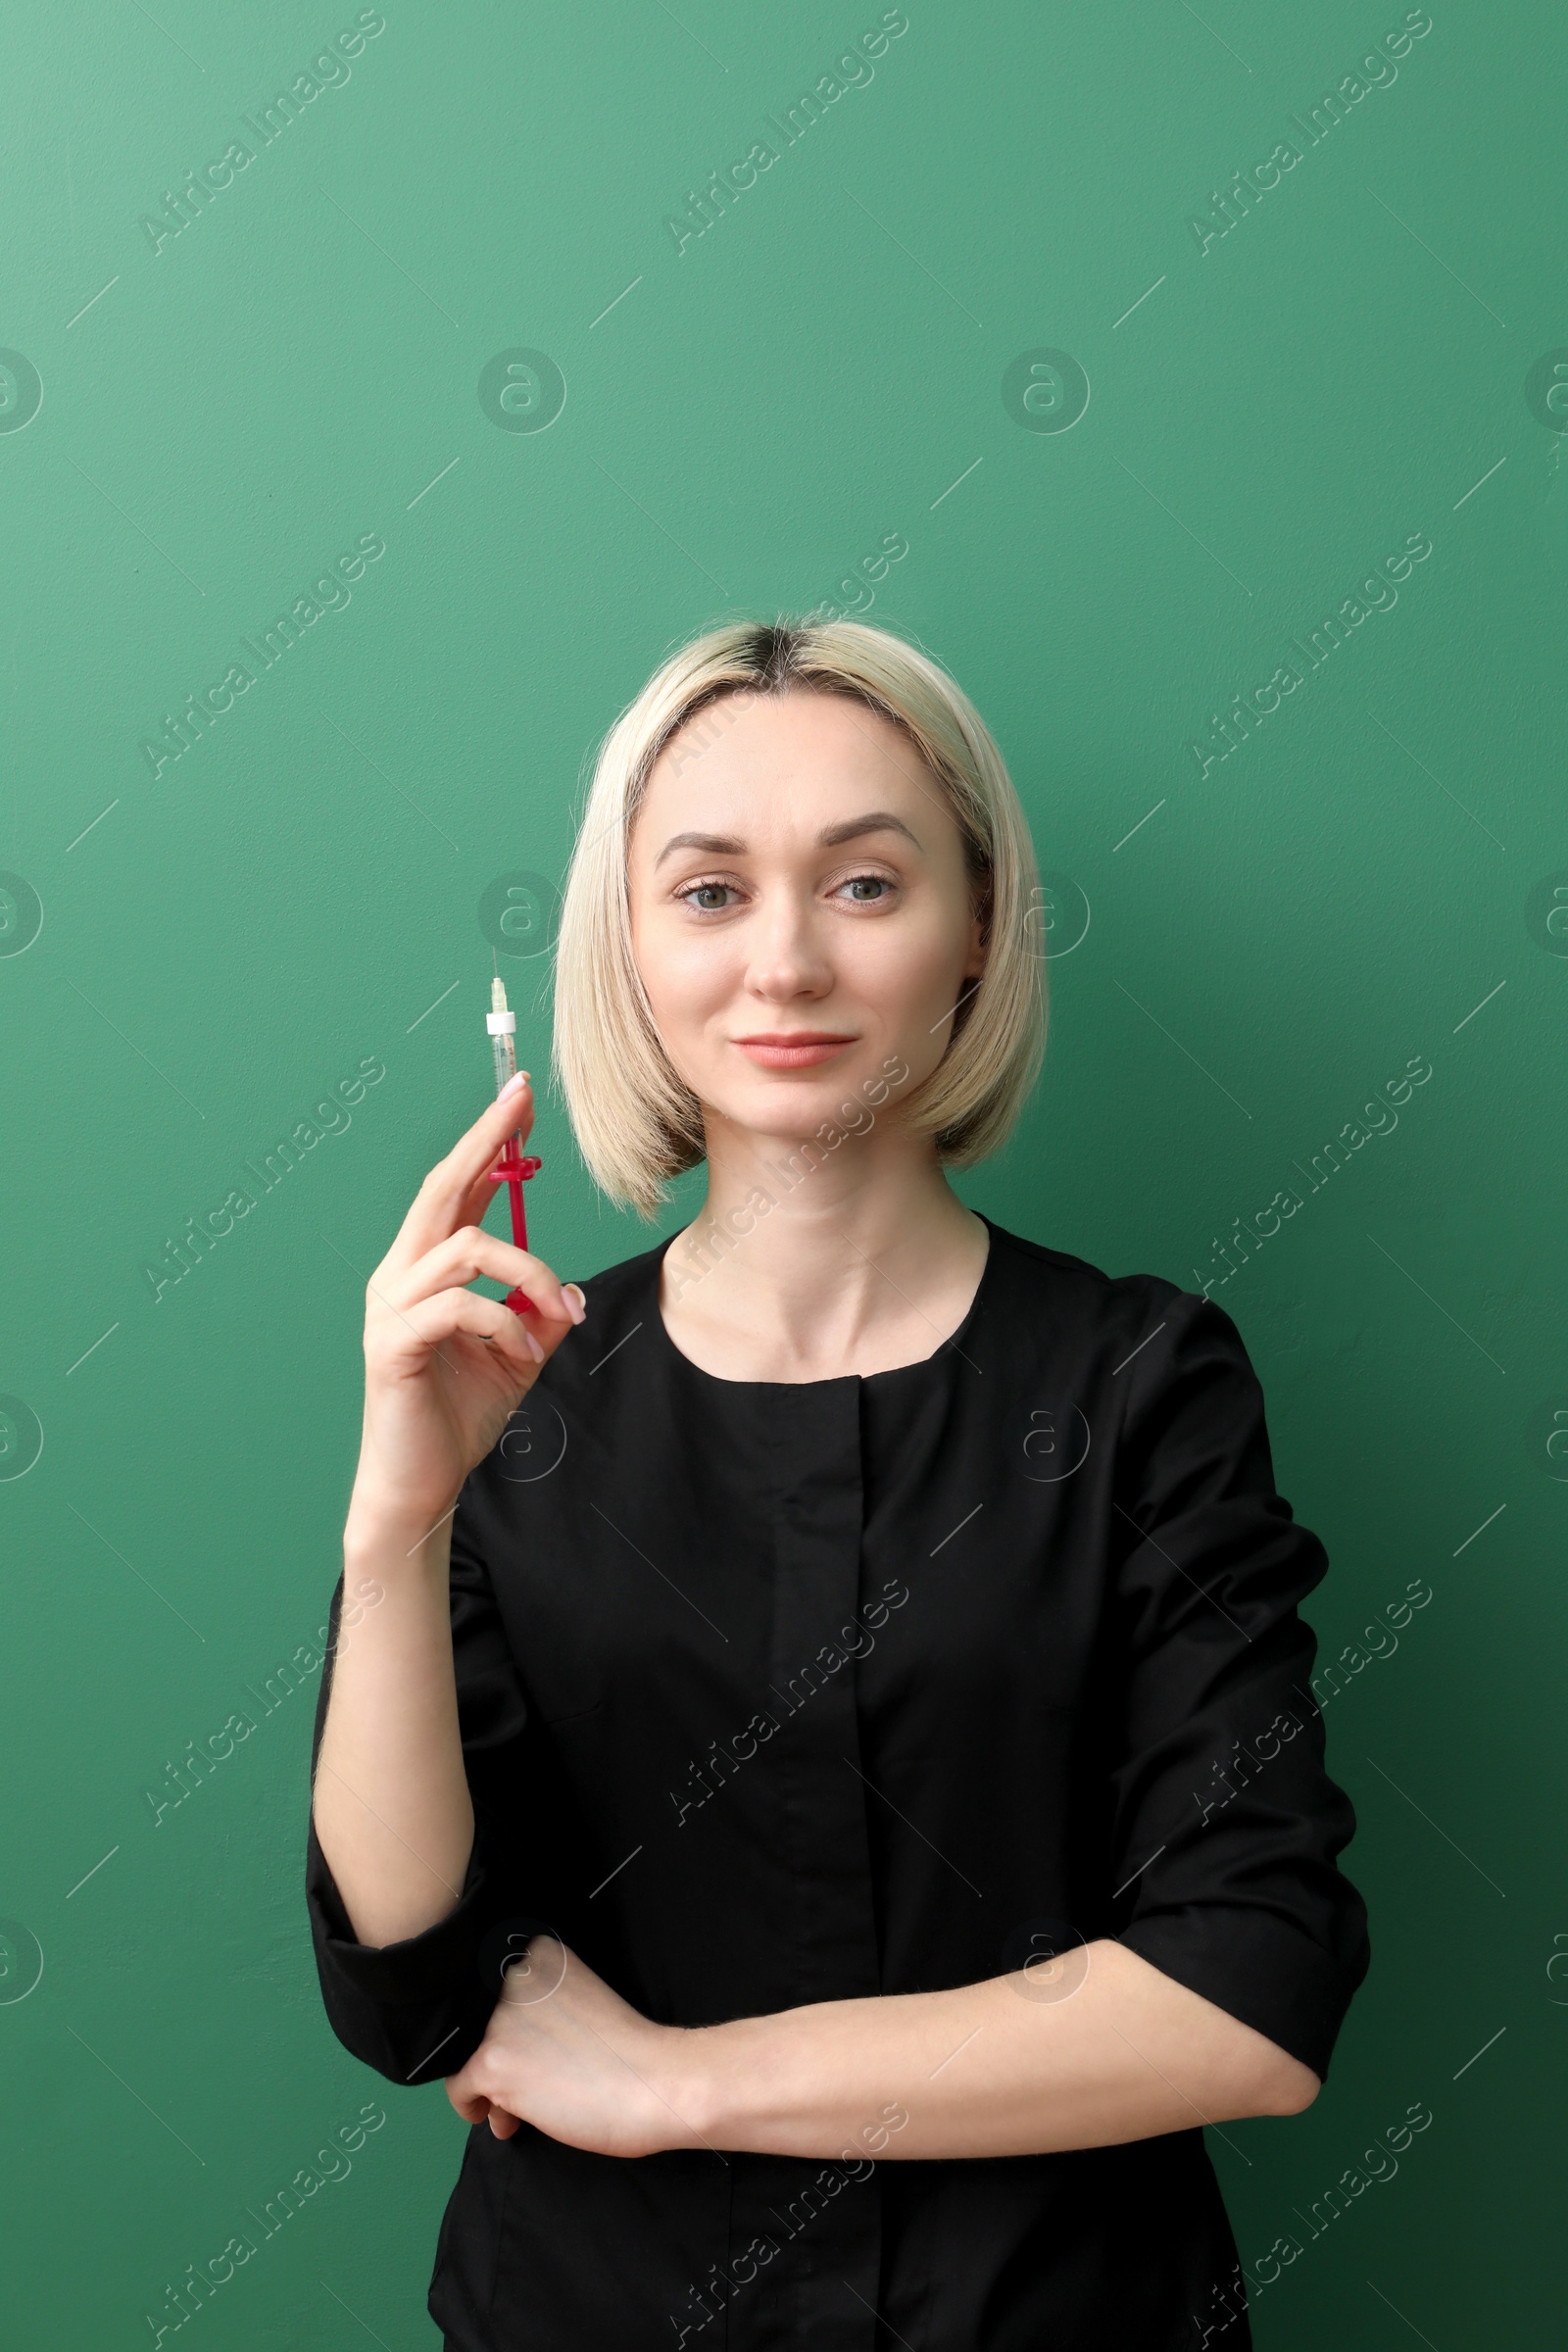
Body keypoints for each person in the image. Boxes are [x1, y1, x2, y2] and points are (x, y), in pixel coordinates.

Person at [306, 615, 1369, 2350]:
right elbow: (418, 1986)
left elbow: (1244, 1996)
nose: (783, 964)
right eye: (710, 892)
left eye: (864, 885)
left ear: (974, 933)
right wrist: (399, 1524)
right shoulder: (519, 1394)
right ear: (628, 950)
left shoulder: (1144, 1385)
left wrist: (677, 2083)